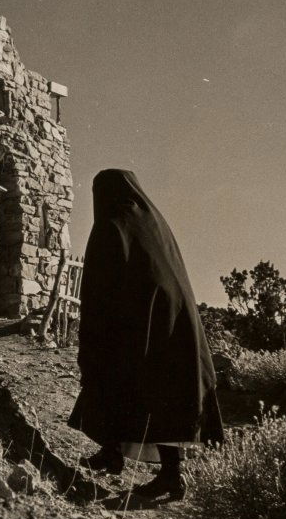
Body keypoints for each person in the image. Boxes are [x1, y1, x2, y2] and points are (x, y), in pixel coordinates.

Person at [67, 169, 224, 500]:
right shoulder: (155, 224)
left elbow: (97, 293)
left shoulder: (111, 226)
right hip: (178, 325)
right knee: (165, 394)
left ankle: (165, 475)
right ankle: (123, 457)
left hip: (143, 326)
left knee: (114, 376)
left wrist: (91, 343)